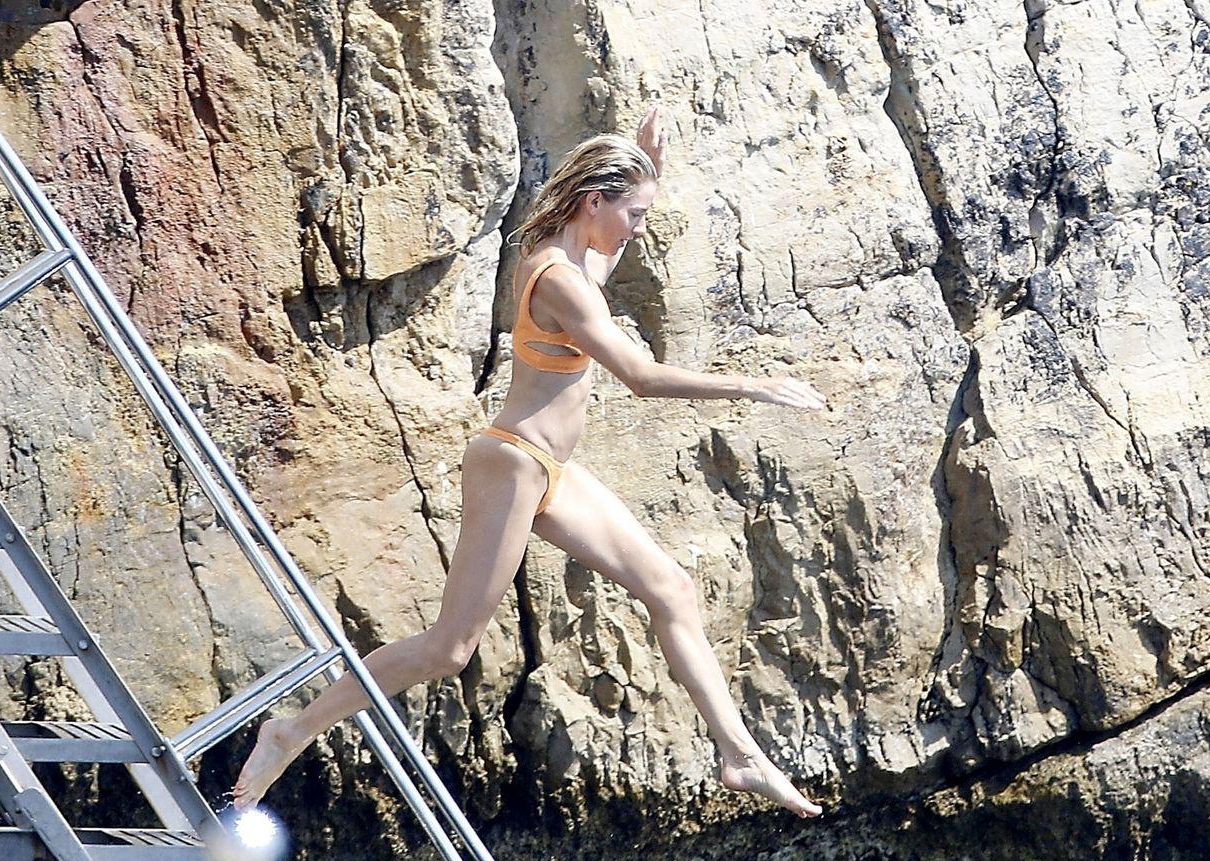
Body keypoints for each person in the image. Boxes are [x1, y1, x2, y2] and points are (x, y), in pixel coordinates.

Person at [234, 108, 824, 817]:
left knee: (671, 589)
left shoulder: (570, 257)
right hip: (512, 464)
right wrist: (751, 384)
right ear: (593, 202)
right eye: (634, 214)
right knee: (449, 650)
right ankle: (290, 732)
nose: (639, 229)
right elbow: (640, 377)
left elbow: (604, 261)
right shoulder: (558, 279)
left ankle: (739, 755)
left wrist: (651, 169)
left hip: (551, 471)